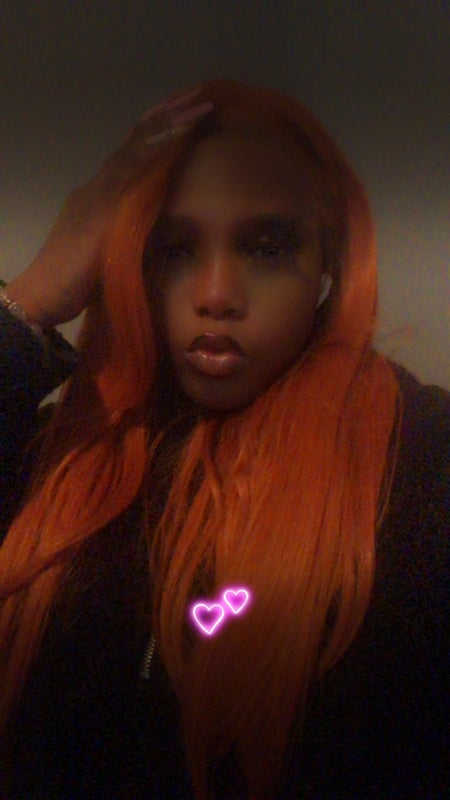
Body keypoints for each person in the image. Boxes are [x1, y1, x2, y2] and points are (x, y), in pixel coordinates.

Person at [0, 77, 448, 800]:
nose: (215, 294)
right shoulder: (64, 451)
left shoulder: (416, 463)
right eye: (173, 248)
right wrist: (33, 301)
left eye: (266, 246)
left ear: (328, 265)